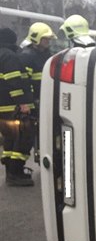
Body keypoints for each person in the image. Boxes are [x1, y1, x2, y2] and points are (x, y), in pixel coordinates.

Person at [0, 28, 35, 186]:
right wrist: (22, 103)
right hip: (11, 106)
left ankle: (10, 171)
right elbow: (13, 81)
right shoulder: (9, 56)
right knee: (23, 137)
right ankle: (15, 173)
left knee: (10, 137)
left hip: (3, 107)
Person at [20, 22, 57, 164]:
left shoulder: (46, 54)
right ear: (36, 38)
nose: (47, 42)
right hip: (34, 100)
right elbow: (25, 82)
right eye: (45, 39)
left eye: (48, 39)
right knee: (35, 132)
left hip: (45, 99)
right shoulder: (27, 56)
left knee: (46, 131)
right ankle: (40, 156)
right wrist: (28, 102)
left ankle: (44, 156)